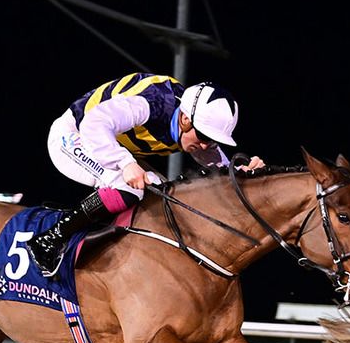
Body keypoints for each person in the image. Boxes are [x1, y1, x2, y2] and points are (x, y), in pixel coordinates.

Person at [29, 73, 264, 277]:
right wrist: (125, 162)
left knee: (164, 195)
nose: (206, 146)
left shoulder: (193, 126)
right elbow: (94, 124)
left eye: (213, 140)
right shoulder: (152, 103)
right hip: (74, 135)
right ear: (184, 119)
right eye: (203, 137)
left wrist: (237, 176)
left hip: (107, 142)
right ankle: (49, 239)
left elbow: (216, 166)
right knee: (128, 186)